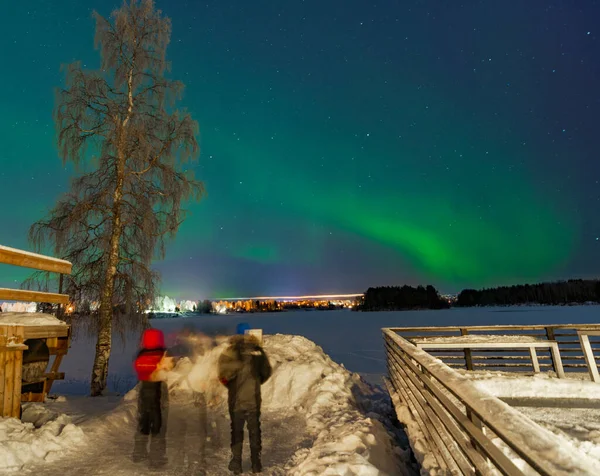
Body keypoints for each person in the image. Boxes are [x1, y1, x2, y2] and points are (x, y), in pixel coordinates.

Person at [218, 325, 272, 474]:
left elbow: (222, 374)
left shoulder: (230, 352)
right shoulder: (258, 351)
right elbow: (267, 372)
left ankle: (236, 463)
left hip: (236, 400)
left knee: (236, 430)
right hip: (253, 399)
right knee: (255, 430)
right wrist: (256, 382)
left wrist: (231, 385)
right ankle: (256, 464)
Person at [133, 327, 169, 468]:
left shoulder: (141, 354)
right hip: (157, 395)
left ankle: (139, 453)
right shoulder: (162, 354)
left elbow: (137, 368)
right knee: (158, 427)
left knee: (143, 424)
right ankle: (156, 458)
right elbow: (168, 369)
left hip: (144, 394)